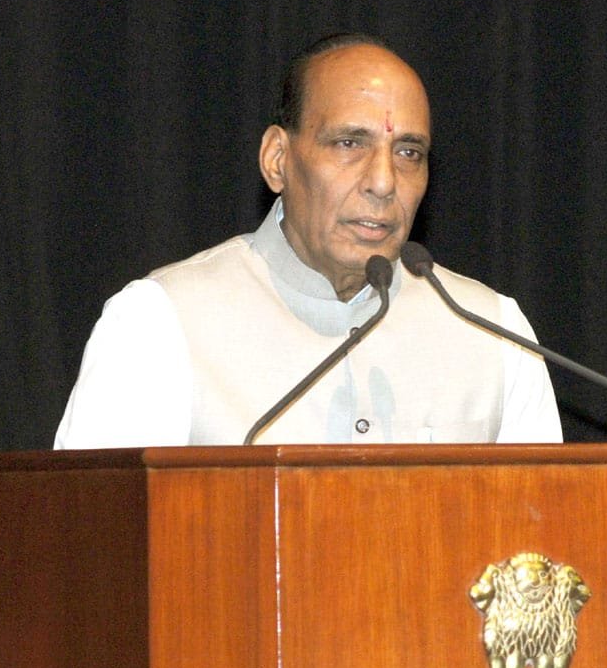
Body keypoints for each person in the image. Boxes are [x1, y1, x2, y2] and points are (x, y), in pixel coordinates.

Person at [54, 33, 562, 448]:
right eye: (349, 143)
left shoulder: (494, 334)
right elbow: (96, 533)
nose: (383, 182)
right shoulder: (161, 324)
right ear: (277, 159)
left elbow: (542, 535)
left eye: (408, 152)